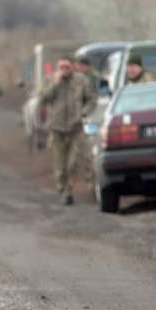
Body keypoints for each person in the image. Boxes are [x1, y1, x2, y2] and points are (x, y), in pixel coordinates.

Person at [39, 56, 96, 206]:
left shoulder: (81, 81)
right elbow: (43, 99)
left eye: (67, 67)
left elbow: (91, 100)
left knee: (73, 163)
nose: (64, 70)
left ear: (73, 67)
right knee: (60, 164)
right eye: (61, 67)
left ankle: (68, 191)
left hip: (75, 127)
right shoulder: (51, 80)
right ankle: (61, 186)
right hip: (57, 128)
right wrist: (55, 84)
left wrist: (84, 112)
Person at [74, 55, 99, 189]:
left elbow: (96, 98)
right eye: (78, 65)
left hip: (92, 115)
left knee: (89, 149)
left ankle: (91, 181)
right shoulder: (76, 79)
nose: (80, 68)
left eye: (82, 65)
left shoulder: (94, 78)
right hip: (80, 117)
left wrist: (84, 111)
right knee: (81, 151)